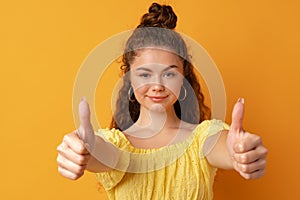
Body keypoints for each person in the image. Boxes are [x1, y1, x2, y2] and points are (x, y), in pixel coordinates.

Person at [56, 2, 268, 200]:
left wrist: (238, 152)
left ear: (183, 78)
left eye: (169, 74)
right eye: (145, 74)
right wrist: (85, 149)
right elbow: (100, 153)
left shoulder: (201, 139)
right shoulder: (116, 146)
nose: (157, 85)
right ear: (130, 79)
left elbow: (222, 146)